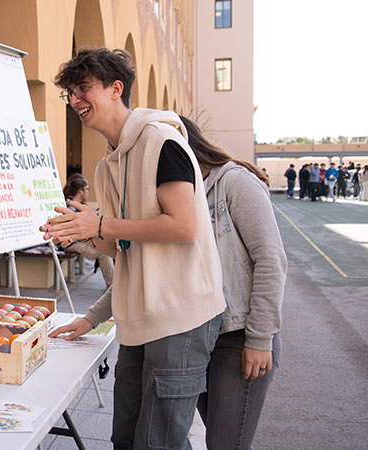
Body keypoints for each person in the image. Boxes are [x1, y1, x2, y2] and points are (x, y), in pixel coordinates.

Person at [43, 48, 225, 449]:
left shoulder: (162, 141)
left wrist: (100, 223)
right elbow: (122, 245)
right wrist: (79, 232)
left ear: (116, 89)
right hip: (137, 322)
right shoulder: (105, 165)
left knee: (158, 441)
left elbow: (182, 227)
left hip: (180, 317)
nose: (75, 100)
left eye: (83, 89)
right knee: (124, 437)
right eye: (69, 93)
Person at [179, 116, 286, 450]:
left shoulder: (235, 183)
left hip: (238, 337)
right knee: (227, 439)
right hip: (199, 338)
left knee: (227, 443)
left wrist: (259, 339)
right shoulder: (180, 195)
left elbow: (272, 260)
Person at [61, 173, 115, 287]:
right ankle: (112, 286)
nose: (88, 192)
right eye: (87, 189)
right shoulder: (70, 205)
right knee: (103, 253)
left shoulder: (76, 205)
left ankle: (113, 285)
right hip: (70, 243)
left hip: (76, 240)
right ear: (80, 191)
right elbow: (76, 228)